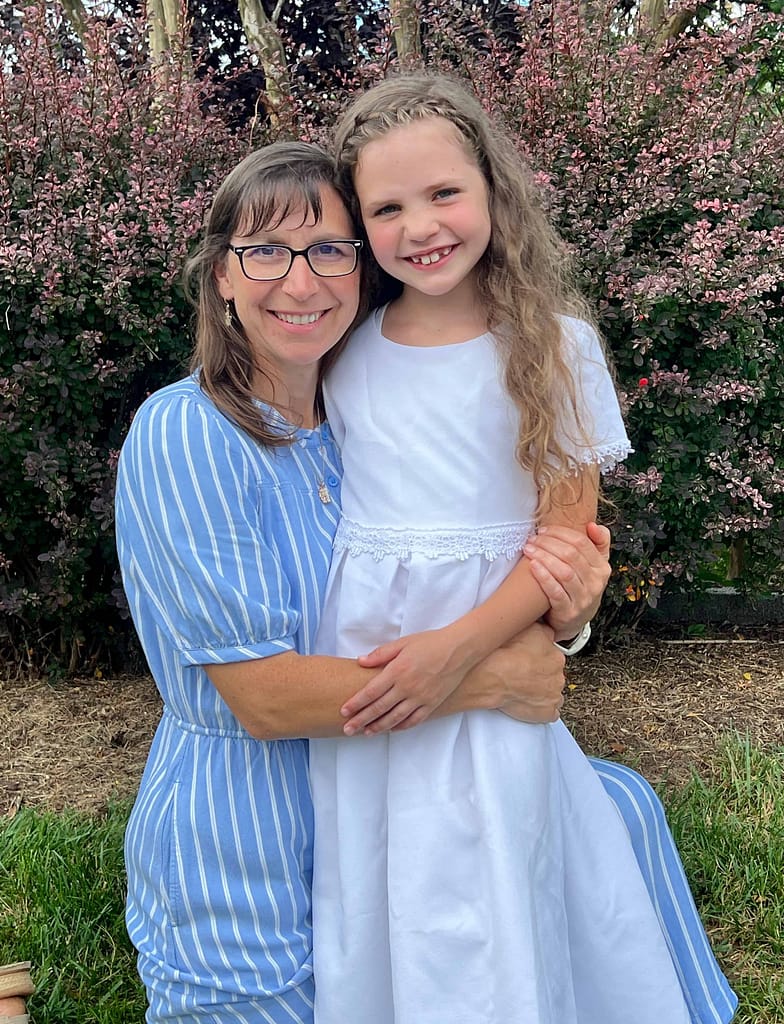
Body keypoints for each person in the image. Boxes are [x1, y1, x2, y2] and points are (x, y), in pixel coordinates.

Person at [114, 141, 615, 1023]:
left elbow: (472, 557)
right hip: (245, 858)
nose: (299, 282)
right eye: (264, 251)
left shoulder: (346, 423)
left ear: (359, 269)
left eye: (327, 251)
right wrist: (488, 677)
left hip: (380, 827)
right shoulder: (186, 432)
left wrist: (567, 607)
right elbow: (261, 697)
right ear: (220, 276)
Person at [309, 73, 738, 1024]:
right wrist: (408, 661)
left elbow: (561, 543)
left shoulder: (554, 345)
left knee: (498, 865)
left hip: (493, 649)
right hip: (369, 647)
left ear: (495, 193)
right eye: (387, 207)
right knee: (381, 870)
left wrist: (456, 652)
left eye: (443, 194)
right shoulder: (344, 347)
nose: (421, 225)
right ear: (360, 226)